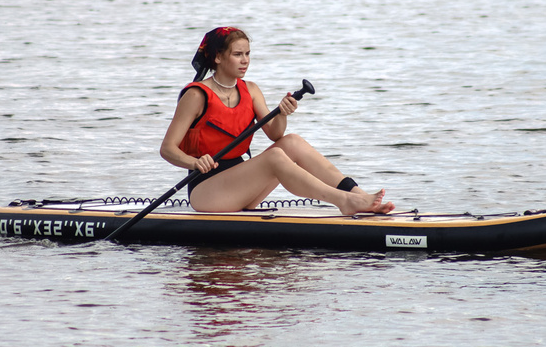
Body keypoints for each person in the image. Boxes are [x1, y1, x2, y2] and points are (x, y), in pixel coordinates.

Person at [160, 27, 395, 216]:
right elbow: (167, 149)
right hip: (206, 191)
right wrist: (194, 162)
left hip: (244, 186)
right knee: (274, 157)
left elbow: (275, 134)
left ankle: (358, 194)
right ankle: (344, 201)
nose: (245, 61)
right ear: (218, 57)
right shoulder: (196, 95)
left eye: (248, 54)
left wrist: (282, 113)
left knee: (291, 142)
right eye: (237, 54)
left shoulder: (250, 90)